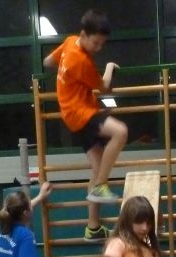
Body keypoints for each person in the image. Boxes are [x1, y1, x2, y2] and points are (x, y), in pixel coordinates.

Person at [43, 9, 127, 243]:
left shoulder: (70, 42)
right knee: (120, 131)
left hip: (72, 117)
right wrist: (109, 67)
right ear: (83, 34)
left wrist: (66, 77)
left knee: (97, 167)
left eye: (102, 44)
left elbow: (47, 61)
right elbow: (105, 88)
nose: (98, 48)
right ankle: (101, 186)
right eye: (96, 43)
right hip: (82, 114)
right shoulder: (82, 61)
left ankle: (93, 228)